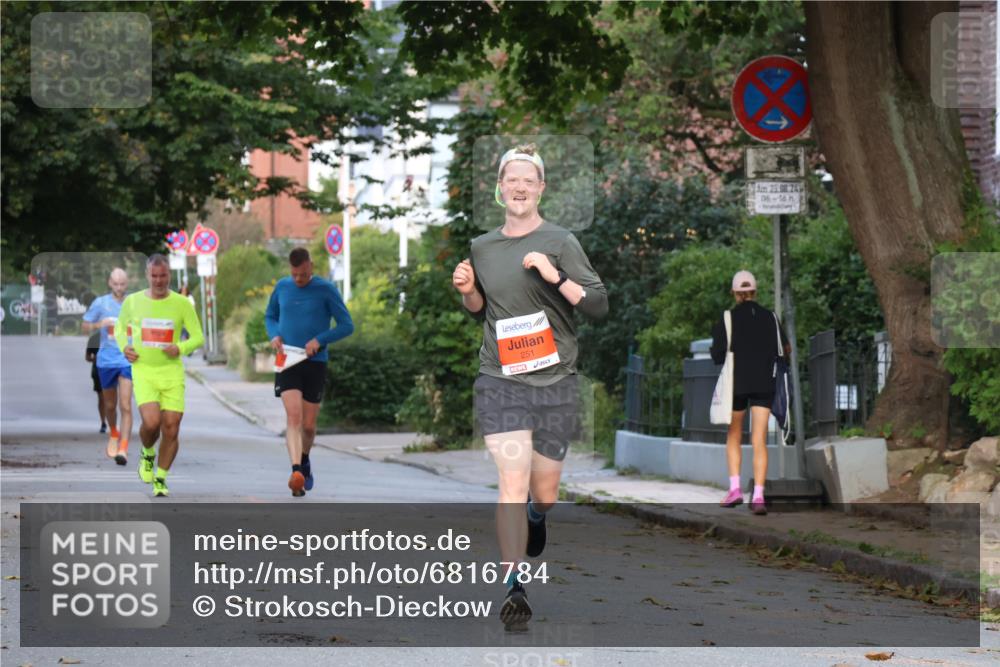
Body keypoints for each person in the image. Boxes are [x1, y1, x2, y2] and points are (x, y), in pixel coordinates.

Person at [453, 144, 608, 632]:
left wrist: (553, 274)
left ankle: (539, 518)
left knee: (543, 491)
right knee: (511, 483)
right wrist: (468, 292)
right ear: (499, 188)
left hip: (555, 381)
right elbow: (483, 312)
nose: (519, 187)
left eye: (528, 180)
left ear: (541, 188)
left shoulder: (561, 241)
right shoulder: (481, 247)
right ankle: (513, 586)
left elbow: (598, 305)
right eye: (510, 179)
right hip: (500, 379)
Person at [266, 247, 354, 497]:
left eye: (303, 275)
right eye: (294, 275)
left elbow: (347, 325)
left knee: (309, 425)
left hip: (315, 361)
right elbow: (270, 315)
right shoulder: (282, 287)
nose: (298, 280)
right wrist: (274, 335)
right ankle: (296, 472)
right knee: (293, 418)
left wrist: (320, 339)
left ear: (311, 267)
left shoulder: (326, 289)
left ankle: (304, 459)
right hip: (287, 359)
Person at [116, 254, 204, 497]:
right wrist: (125, 347)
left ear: (169, 275)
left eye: (162, 275)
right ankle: (147, 452)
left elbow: (198, 336)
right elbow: (120, 328)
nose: (158, 280)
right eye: (154, 276)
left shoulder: (182, 303)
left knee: (172, 428)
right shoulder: (133, 302)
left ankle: (161, 478)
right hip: (144, 371)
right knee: (152, 423)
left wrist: (181, 348)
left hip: (172, 372)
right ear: (147, 276)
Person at [710, 270, 790, 516]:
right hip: (764, 383)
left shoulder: (728, 318)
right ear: (754, 292)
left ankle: (734, 490)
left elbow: (718, 355)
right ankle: (758, 496)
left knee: (734, 433)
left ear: (734, 293)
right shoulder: (771, 318)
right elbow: (784, 350)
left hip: (737, 383)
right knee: (759, 439)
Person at [81, 268, 134, 464]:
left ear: (126, 284)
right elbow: (84, 325)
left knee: (126, 405)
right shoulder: (100, 303)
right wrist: (98, 325)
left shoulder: (133, 303)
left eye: (122, 284)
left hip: (127, 360)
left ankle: (123, 448)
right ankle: (114, 432)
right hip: (106, 361)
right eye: (116, 284)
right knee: (110, 406)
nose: (119, 288)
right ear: (110, 283)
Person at [85, 330, 106, 433]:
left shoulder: (116, 335)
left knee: (111, 398)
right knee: (102, 398)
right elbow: (87, 357)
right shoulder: (94, 338)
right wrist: (95, 359)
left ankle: (112, 422)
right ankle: (103, 422)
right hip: (98, 370)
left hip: (113, 369)